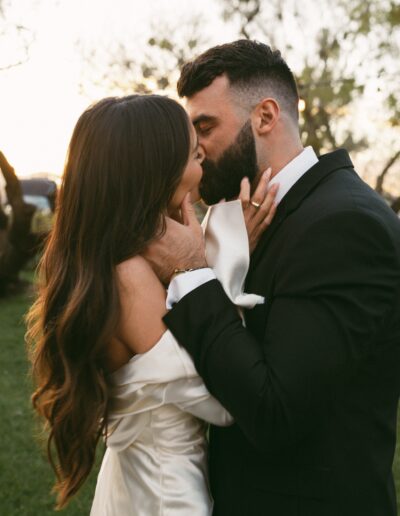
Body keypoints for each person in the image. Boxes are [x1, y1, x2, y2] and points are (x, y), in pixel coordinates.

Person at [144, 40, 400, 516]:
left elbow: (275, 410)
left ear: (265, 116)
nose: (194, 147)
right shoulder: (251, 220)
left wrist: (193, 272)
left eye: (205, 126)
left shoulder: (344, 224)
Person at [26, 94, 277, 515]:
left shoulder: (116, 261)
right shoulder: (130, 278)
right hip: (164, 495)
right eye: (195, 156)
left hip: (138, 483)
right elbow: (221, 398)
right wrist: (224, 260)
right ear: (158, 169)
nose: (203, 168)